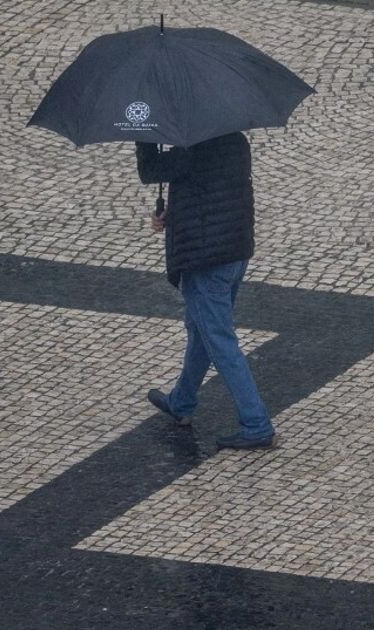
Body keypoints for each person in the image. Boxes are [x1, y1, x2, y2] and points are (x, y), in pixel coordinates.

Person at [135, 133, 276, 451]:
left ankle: (256, 423)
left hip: (205, 260)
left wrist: (144, 137)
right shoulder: (236, 141)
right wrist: (171, 216)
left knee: (220, 341)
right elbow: (211, 198)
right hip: (234, 252)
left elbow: (150, 170)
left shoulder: (191, 149)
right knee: (201, 332)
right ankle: (181, 402)